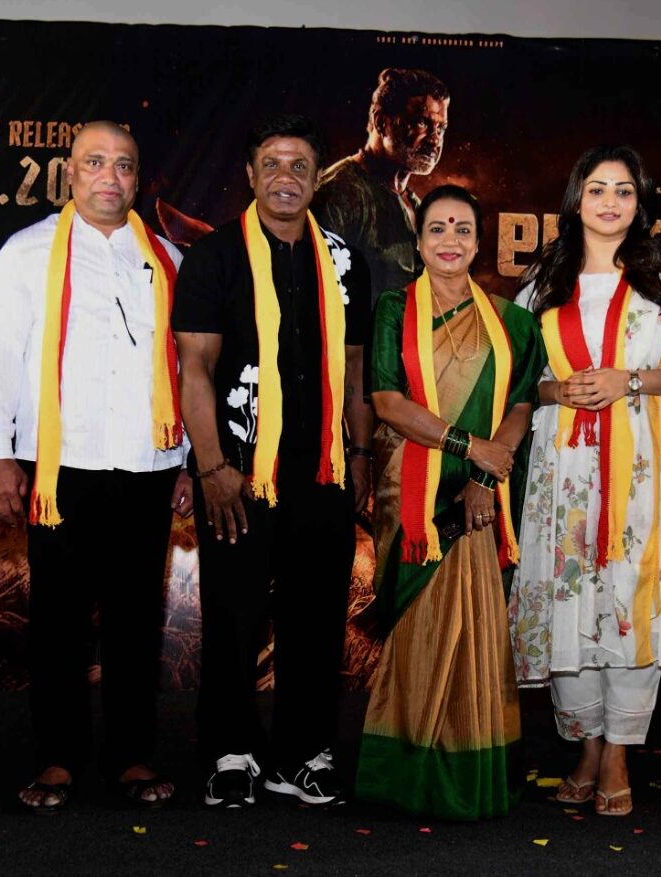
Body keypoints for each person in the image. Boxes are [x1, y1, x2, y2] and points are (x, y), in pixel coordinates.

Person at [0, 122, 193, 811]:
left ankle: (131, 757)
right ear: (69, 173)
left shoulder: (167, 258)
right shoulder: (29, 251)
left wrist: (187, 460)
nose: (109, 176)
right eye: (94, 162)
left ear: (137, 179)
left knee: (135, 620)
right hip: (60, 468)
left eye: (123, 165)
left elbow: (185, 369)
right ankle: (57, 759)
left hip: (148, 466)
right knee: (58, 623)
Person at [512, 145, 661, 817]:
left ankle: (619, 751)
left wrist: (627, 380)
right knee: (570, 599)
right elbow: (518, 381)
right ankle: (585, 743)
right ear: (576, 198)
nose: (610, 201)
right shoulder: (543, 278)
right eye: (597, 188)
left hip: (648, 470)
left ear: (640, 201)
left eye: (624, 190)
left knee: (633, 597)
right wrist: (559, 389)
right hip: (565, 471)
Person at [173, 114, 374, 809]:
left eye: (299, 166)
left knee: (315, 619)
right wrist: (210, 466)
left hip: (322, 473)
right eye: (272, 164)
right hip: (236, 474)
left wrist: (359, 454)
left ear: (317, 178)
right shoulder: (215, 256)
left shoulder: (345, 261)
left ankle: (302, 755)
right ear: (251, 175)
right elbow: (195, 369)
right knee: (232, 617)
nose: (286, 178)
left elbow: (355, 369)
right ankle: (230, 752)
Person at [355, 184, 544, 820]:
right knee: (420, 627)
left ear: (479, 241)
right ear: (418, 240)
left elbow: (520, 405)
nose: (450, 240)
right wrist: (468, 446)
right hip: (412, 497)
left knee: (475, 629)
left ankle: (471, 770)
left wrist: (484, 476)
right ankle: (406, 773)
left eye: (463, 229)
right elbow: (387, 402)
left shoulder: (513, 322)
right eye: (437, 228)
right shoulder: (392, 310)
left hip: (479, 496)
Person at [317, 68, 451, 301]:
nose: (435, 139)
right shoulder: (338, 192)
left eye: (440, 128)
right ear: (381, 122)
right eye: (422, 123)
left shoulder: (415, 205)